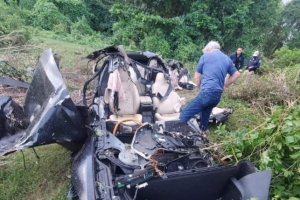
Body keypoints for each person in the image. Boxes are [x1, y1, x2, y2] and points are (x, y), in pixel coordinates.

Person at [179, 41, 240, 135]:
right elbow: (236, 74)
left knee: (185, 114)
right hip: (217, 95)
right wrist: (225, 85)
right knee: (206, 112)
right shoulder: (227, 59)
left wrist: (200, 87)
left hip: (207, 93)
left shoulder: (205, 56)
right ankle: (203, 132)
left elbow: (197, 77)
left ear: (209, 49)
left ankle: (175, 132)